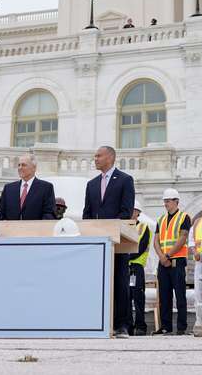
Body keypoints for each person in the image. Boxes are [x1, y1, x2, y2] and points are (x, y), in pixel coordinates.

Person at [82, 145, 135, 338]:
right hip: (96, 244)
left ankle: (122, 325)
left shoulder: (125, 180)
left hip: (117, 242)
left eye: (98, 155)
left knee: (120, 283)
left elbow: (125, 211)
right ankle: (99, 321)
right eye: (94, 155)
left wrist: (110, 229)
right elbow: (87, 213)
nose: (95, 158)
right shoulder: (92, 184)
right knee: (99, 283)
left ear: (110, 158)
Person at [154, 188, 191, 335]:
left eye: (168, 201)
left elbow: (182, 238)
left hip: (177, 260)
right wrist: (162, 257)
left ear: (176, 201)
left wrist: (167, 255)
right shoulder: (161, 220)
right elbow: (155, 241)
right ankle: (165, 327)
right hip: (163, 261)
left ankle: (181, 328)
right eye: (164, 201)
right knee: (164, 295)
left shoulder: (184, 217)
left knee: (180, 294)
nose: (166, 204)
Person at [0, 154, 56, 220]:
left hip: (35, 229)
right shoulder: (8, 188)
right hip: (11, 229)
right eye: (19, 165)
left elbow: (48, 214)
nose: (20, 168)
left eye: (23, 165)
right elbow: (0, 213)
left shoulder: (46, 188)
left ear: (34, 168)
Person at [127, 200, 152, 336]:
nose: (131, 213)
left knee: (138, 297)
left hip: (136, 267)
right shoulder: (124, 226)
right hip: (125, 268)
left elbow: (141, 247)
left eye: (134, 210)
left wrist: (127, 257)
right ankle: (128, 326)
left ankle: (141, 326)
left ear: (138, 213)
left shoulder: (143, 227)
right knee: (126, 298)